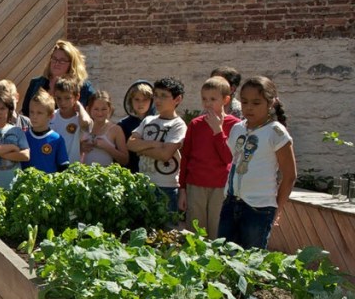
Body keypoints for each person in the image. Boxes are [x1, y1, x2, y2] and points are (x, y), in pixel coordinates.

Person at [218, 76, 296, 249]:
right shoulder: (238, 128)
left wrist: (277, 210)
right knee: (223, 258)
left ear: (270, 103)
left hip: (258, 208)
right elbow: (234, 162)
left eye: (256, 103)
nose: (249, 108)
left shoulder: (276, 132)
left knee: (251, 263)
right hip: (231, 202)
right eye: (244, 102)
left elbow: (290, 176)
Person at [178, 77, 240, 235]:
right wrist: (183, 189)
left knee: (216, 231)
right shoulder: (195, 124)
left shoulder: (235, 125)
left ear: (226, 100)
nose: (208, 103)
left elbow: (229, 158)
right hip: (195, 185)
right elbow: (185, 157)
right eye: (204, 99)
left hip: (221, 186)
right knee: (195, 233)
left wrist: (218, 131)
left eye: (213, 99)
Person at [126, 77, 188, 216]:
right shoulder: (148, 120)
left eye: (164, 96)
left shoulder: (178, 125)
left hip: (166, 188)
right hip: (143, 184)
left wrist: (142, 149)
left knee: (166, 231)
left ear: (177, 100)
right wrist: (155, 144)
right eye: (156, 95)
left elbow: (165, 154)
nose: (158, 100)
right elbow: (130, 144)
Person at [20, 40, 96, 115]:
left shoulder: (83, 87)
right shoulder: (36, 83)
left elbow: (96, 111)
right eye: (54, 59)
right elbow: (25, 112)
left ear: (72, 64)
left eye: (62, 60)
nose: (57, 63)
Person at [23, 90, 69, 173]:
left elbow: (64, 167)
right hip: (26, 185)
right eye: (31, 112)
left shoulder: (57, 139)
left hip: (48, 185)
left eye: (39, 113)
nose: (34, 116)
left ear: (50, 116)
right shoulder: (24, 137)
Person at [49, 77, 92, 165]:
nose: (62, 103)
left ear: (77, 97)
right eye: (58, 98)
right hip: (54, 168)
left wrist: (80, 107)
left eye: (67, 98)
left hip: (74, 169)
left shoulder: (80, 118)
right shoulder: (50, 117)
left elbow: (86, 123)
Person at [81, 91, 128, 166]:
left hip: (105, 176)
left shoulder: (115, 130)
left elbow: (125, 160)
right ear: (88, 109)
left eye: (104, 109)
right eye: (96, 109)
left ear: (110, 109)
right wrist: (80, 148)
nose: (100, 113)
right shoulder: (83, 127)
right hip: (84, 175)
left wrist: (107, 147)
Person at [118, 80, 155, 173]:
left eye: (145, 99)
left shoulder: (158, 123)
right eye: (137, 99)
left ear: (151, 101)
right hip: (131, 173)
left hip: (154, 174)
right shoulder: (123, 125)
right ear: (131, 100)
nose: (141, 103)